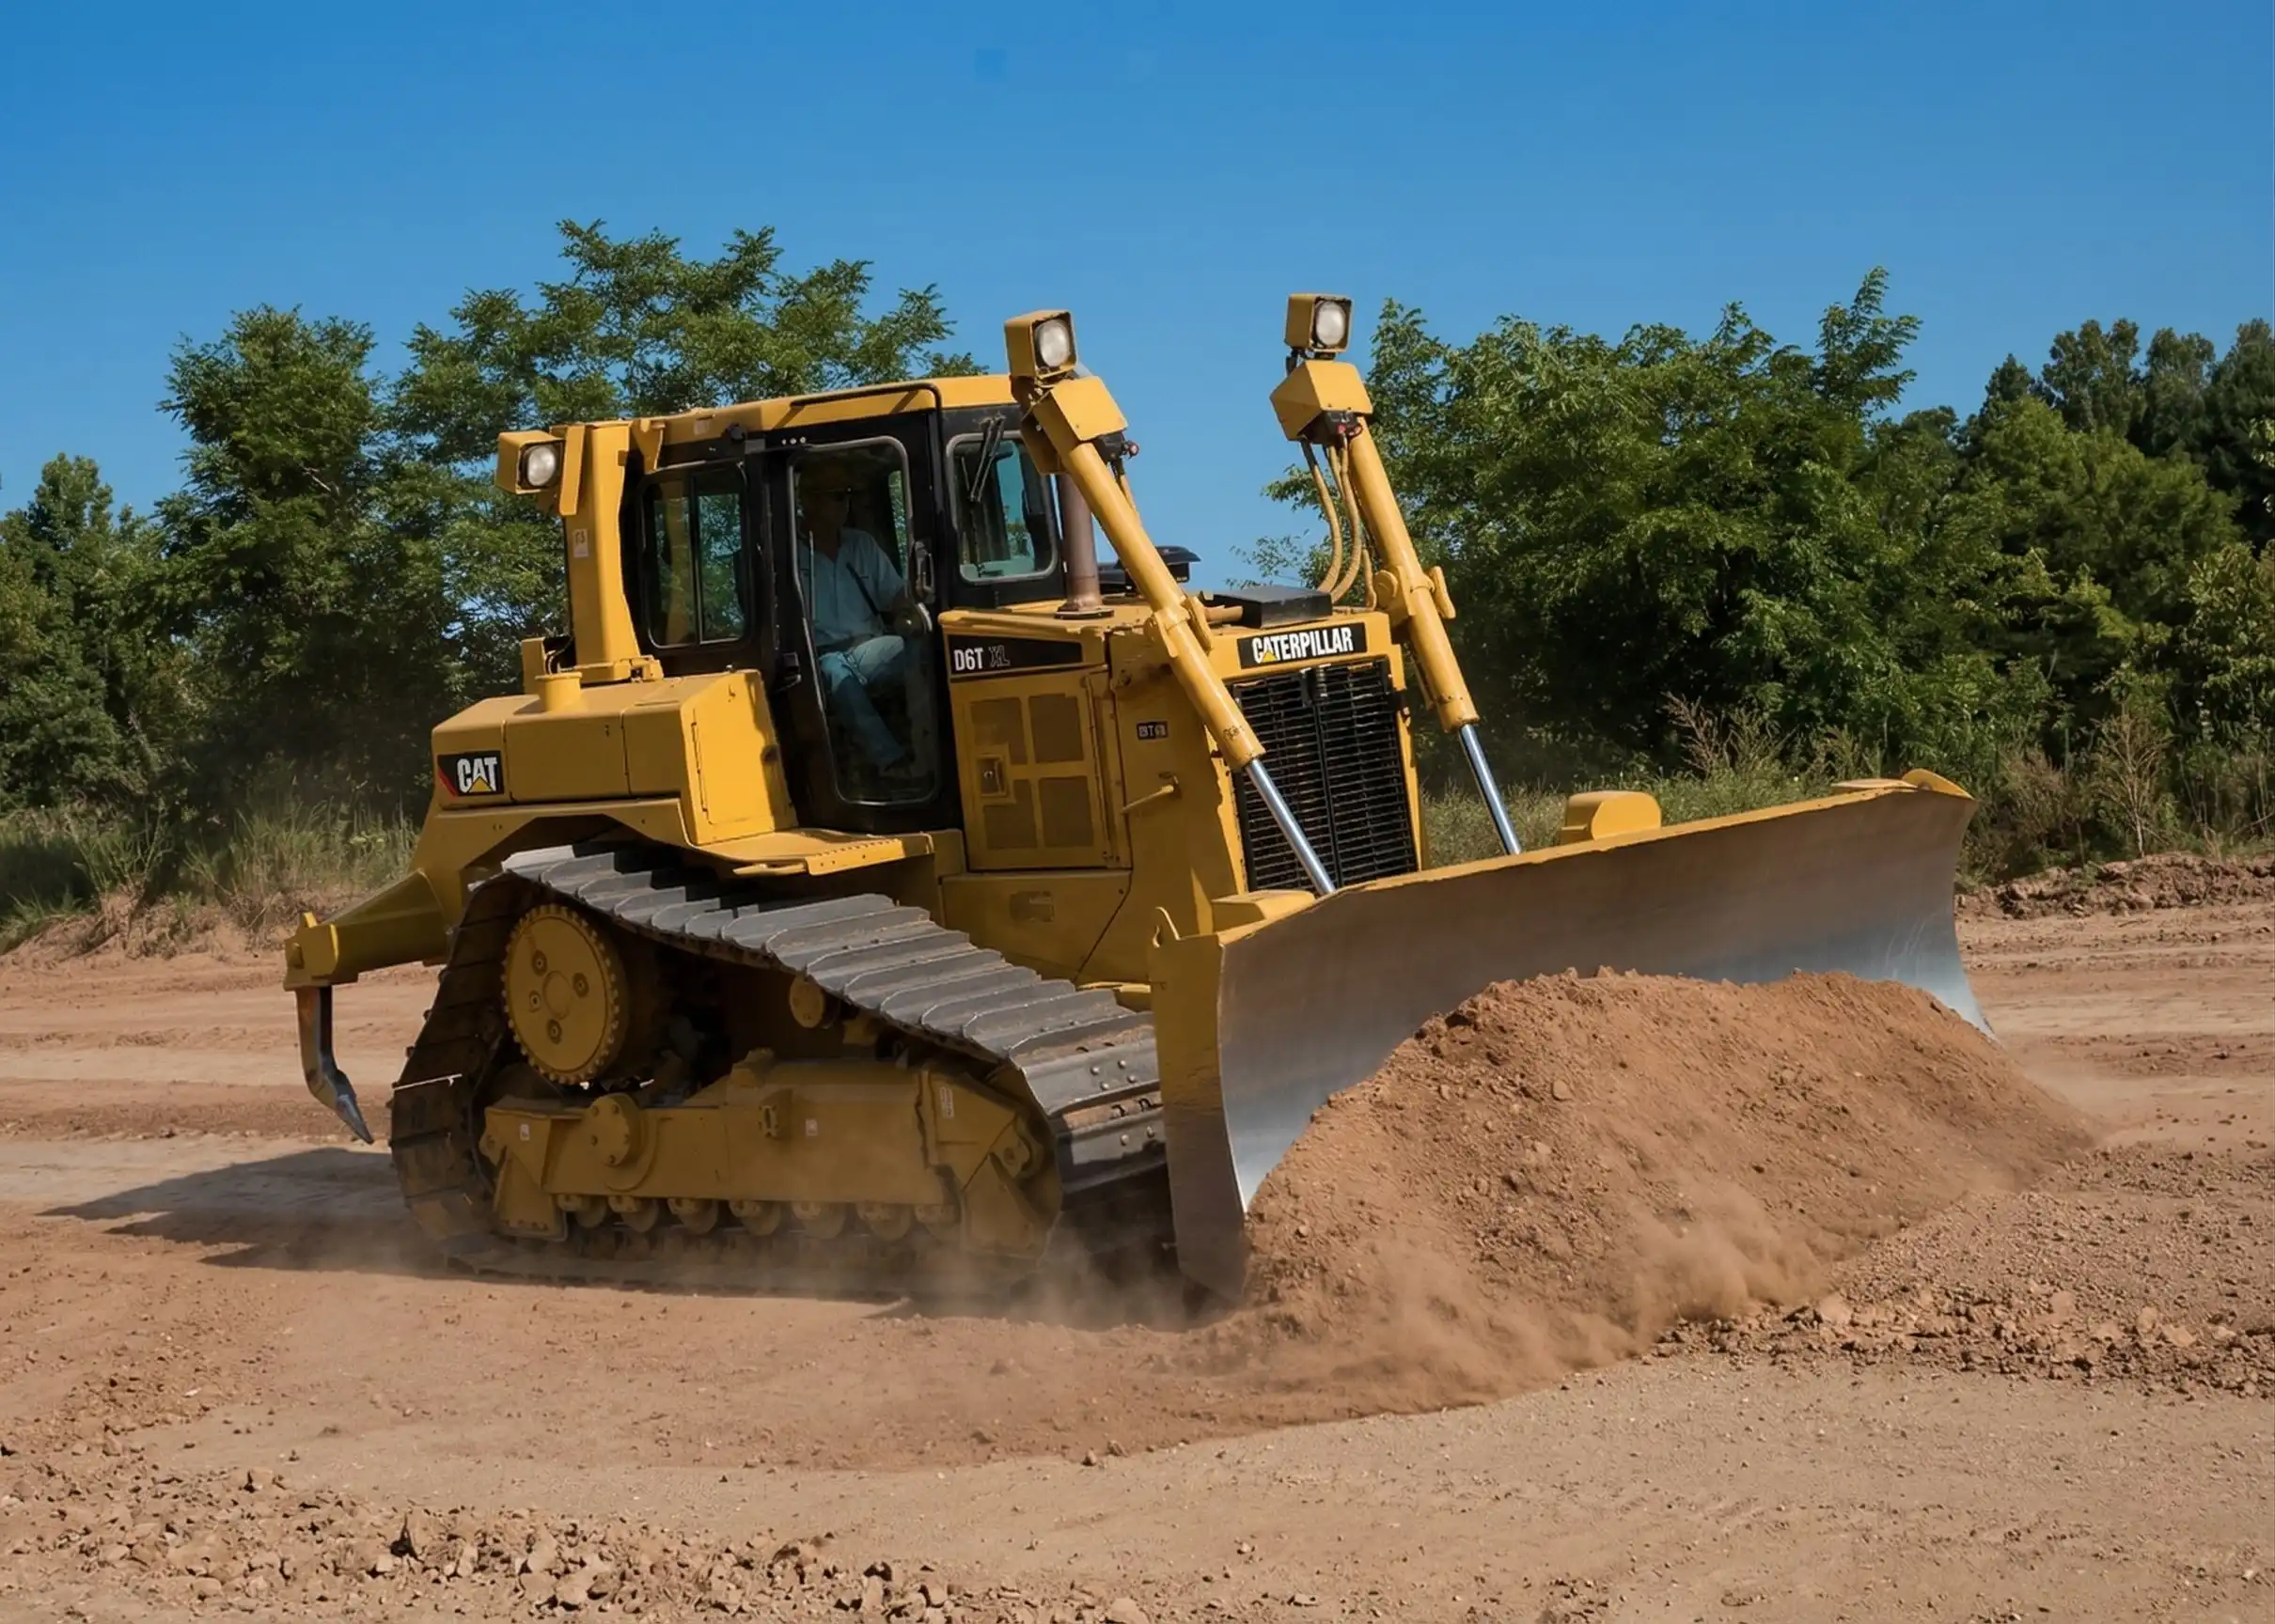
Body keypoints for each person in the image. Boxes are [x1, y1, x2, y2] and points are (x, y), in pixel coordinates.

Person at [793, 471, 923, 783]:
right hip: (820, 656)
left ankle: (928, 749)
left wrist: (917, 614)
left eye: (847, 495)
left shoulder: (861, 545)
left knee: (924, 652)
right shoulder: (787, 553)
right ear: (808, 500)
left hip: (868, 648)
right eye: (837, 496)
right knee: (838, 676)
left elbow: (895, 595)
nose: (845, 504)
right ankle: (891, 764)